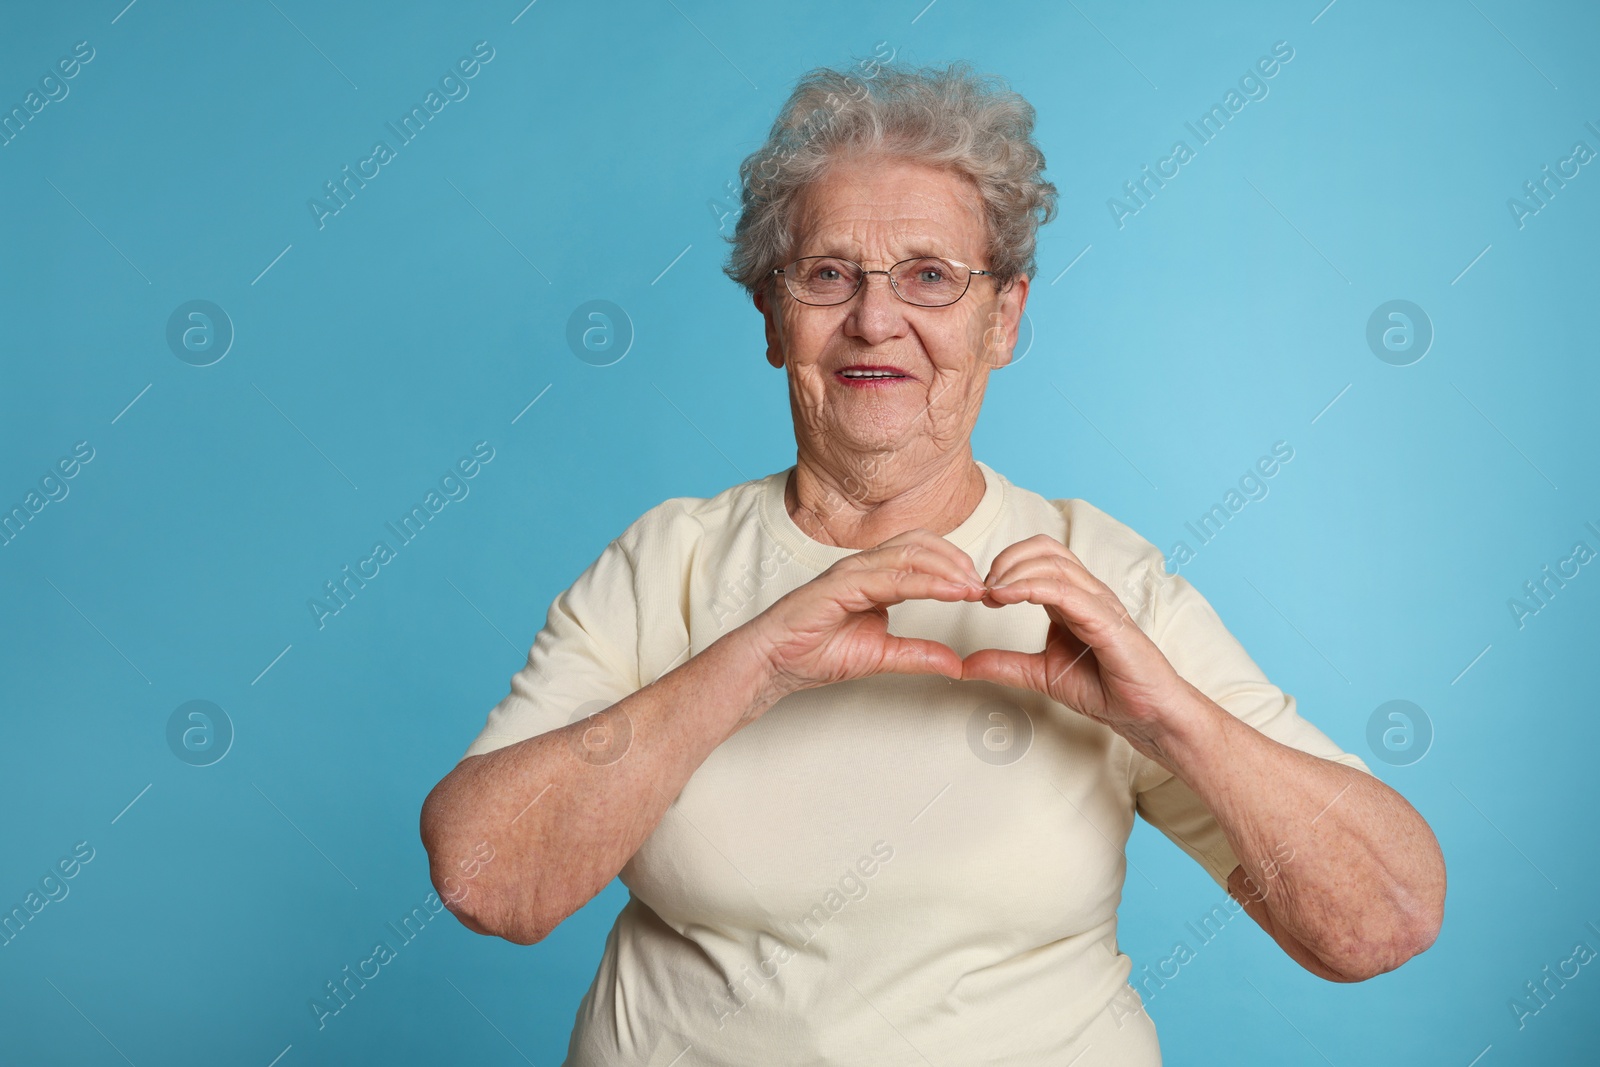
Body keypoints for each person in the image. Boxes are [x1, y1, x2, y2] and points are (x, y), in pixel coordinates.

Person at [420, 60, 1445, 1066]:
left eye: (930, 277)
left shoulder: (1101, 576)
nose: (875, 318)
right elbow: (487, 876)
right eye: (828, 274)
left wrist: (1168, 713)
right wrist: (754, 661)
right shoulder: (668, 562)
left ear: (1001, 318)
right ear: (774, 317)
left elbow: (1378, 921)